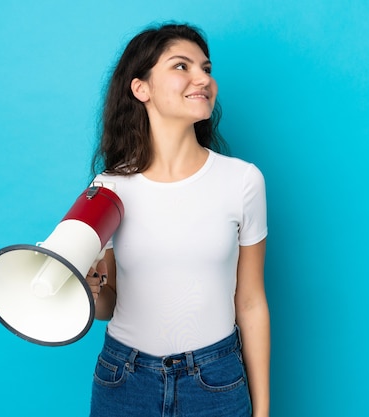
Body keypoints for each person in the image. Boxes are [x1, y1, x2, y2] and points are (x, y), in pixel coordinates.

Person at [85, 23, 270, 417]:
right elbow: (108, 304)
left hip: (215, 381)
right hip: (124, 380)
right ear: (141, 89)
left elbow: (251, 302)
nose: (203, 77)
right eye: (182, 66)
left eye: (206, 68)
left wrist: (263, 410)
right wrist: (91, 287)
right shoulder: (108, 188)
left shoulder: (243, 181)